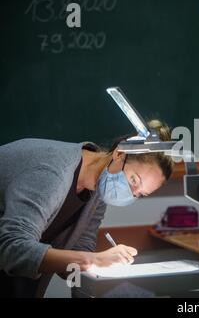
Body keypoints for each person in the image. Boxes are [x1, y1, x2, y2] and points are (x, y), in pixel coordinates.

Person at [0, 120, 173, 297]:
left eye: (140, 194)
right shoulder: (53, 173)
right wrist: (95, 260)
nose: (131, 193)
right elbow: (12, 249)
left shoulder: (97, 192)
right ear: (119, 154)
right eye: (134, 181)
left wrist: (92, 281)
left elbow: (76, 259)